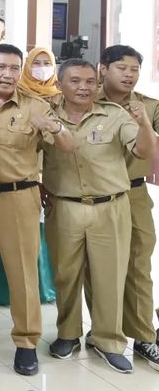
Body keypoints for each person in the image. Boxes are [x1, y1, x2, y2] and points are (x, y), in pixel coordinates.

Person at [0, 44, 74, 376]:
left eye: (14, 68)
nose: (7, 74)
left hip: (19, 196)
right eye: (0, 67)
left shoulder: (36, 106)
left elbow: (68, 146)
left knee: (23, 272)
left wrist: (56, 128)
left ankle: (26, 341)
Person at [43, 59, 155, 373]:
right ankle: (67, 334)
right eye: (75, 81)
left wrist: (144, 124)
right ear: (60, 84)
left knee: (110, 276)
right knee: (65, 275)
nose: (84, 87)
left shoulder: (116, 115)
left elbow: (143, 151)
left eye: (90, 81)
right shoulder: (46, 116)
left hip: (111, 207)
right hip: (65, 207)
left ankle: (108, 341)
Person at [96, 45, 159, 369]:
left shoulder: (149, 106)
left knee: (138, 266)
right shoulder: (85, 99)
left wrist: (143, 123)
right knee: (96, 268)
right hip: (94, 194)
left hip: (133, 194)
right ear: (103, 68)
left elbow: (154, 150)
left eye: (135, 69)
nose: (129, 75)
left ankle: (144, 337)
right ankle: (101, 332)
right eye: (122, 68)